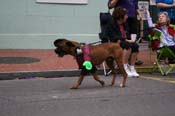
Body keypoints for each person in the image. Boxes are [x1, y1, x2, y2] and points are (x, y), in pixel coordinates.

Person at [106, 6, 140, 77]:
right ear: (121, 17)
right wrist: (125, 40)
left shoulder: (125, 24)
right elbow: (112, 36)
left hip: (125, 41)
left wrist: (131, 39)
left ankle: (132, 67)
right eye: (126, 15)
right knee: (128, 46)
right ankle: (124, 67)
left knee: (135, 46)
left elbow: (127, 34)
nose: (127, 17)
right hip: (115, 43)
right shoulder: (111, 23)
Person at [108, 0, 143, 65]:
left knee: (133, 38)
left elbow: (135, 5)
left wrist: (139, 14)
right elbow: (110, 5)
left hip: (132, 17)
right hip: (121, 17)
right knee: (124, 39)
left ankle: (133, 59)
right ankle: (124, 62)